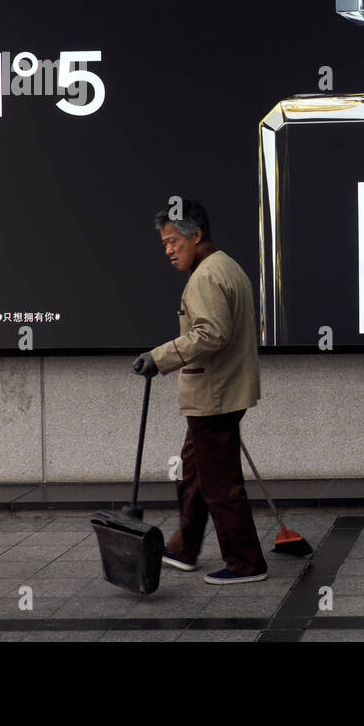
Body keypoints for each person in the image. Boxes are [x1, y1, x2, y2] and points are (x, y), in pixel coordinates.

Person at [131, 198, 267, 585]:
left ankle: (245, 563)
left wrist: (159, 357)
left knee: (219, 482)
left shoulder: (206, 277)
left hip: (213, 395)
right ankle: (185, 547)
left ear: (197, 235)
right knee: (194, 473)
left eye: (174, 241)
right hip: (222, 391)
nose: (169, 250)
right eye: (164, 244)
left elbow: (211, 334)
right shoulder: (225, 266)